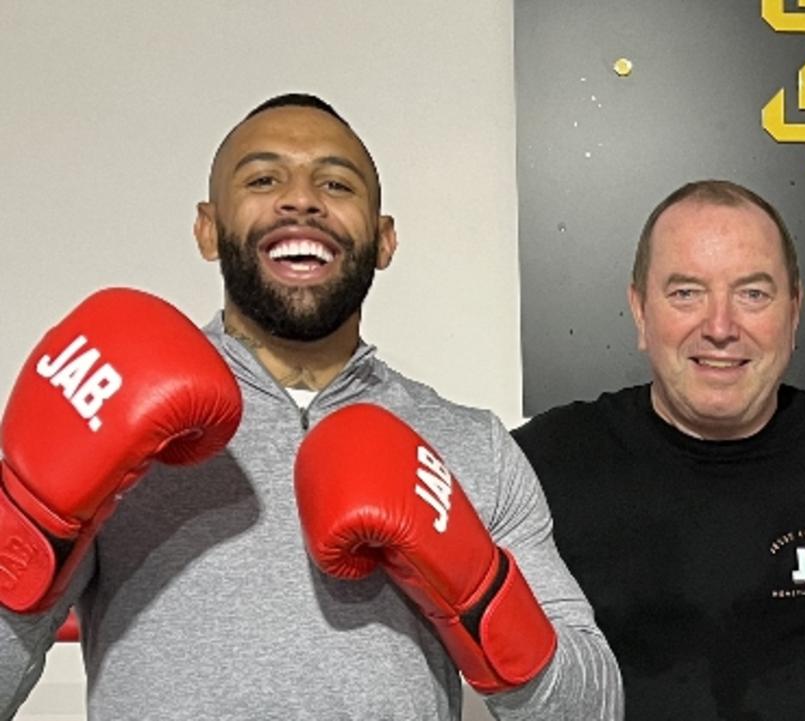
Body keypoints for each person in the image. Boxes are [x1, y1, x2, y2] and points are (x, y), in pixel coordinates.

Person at [0, 93, 622, 719]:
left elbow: (592, 709)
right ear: (207, 228)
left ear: (383, 240)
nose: (301, 200)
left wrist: (476, 589)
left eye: (336, 183)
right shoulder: (108, 404)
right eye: (264, 178)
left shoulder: (471, 445)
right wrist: (31, 514)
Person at [512, 180, 805, 720]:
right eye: (686, 292)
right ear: (640, 312)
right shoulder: (546, 462)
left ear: (794, 311)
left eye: (752, 294)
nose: (719, 327)